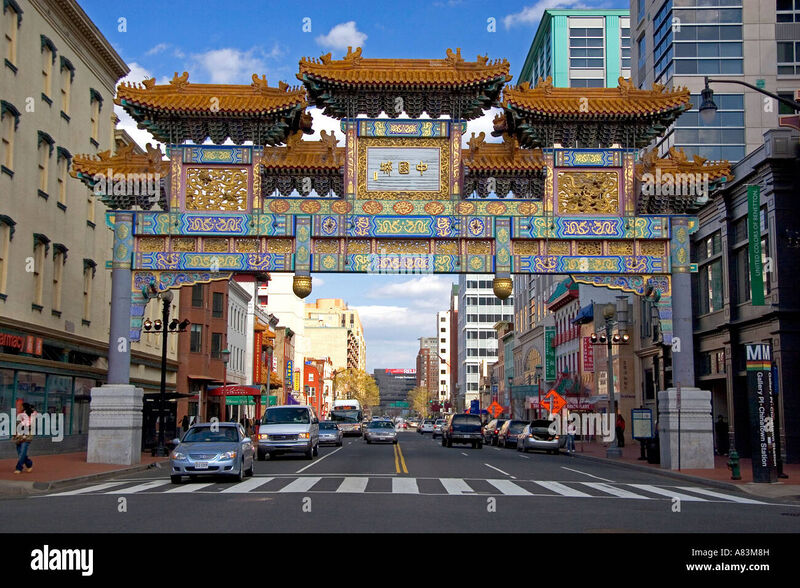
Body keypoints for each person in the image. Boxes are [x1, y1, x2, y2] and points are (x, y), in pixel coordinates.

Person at [13, 403, 35, 474]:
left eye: (22, 406)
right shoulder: (20, 415)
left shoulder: (31, 415)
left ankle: (19, 468)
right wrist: (15, 434)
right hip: (19, 436)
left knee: (22, 452)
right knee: (20, 453)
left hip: (26, 437)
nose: (20, 407)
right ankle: (29, 464)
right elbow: (17, 425)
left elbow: (31, 426)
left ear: (24, 407)